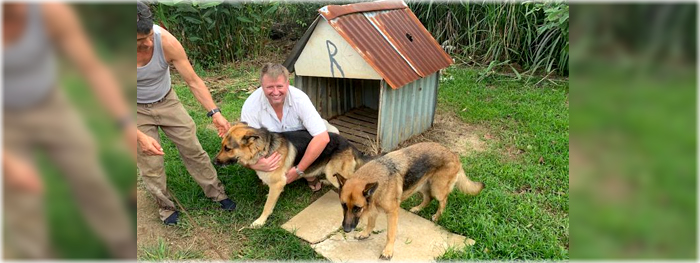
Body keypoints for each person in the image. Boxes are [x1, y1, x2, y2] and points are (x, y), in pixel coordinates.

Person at [3, 3, 135, 259]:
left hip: (50, 104)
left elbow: (92, 68)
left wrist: (126, 125)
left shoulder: (50, 12)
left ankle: (124, 248)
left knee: (90, 177)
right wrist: (8, 164)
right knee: (20, 199)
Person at [136, 1, 234, 226]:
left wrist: (215, 112)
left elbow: (193, 80)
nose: (149, 42)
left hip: (167, 100)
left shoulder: (166, 42)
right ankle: (165, 206)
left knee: (192, 148)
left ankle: (216, 192)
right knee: (150, 163)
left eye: (150, 35)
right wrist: (139, 136)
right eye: (141, 41)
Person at [240, 63, 340, 192]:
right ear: (262, 86)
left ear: (287, 84)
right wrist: (255, 165)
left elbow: (321, 137)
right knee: (262, 164)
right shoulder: (251, 106)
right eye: (269, 87)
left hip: (302, 138)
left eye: (280, 86)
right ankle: (280, 171)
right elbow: (243, 145)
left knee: (333, 135)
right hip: (275, 146)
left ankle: (310, 173)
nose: (275, 92)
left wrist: (299, 170)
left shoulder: (300, 98)